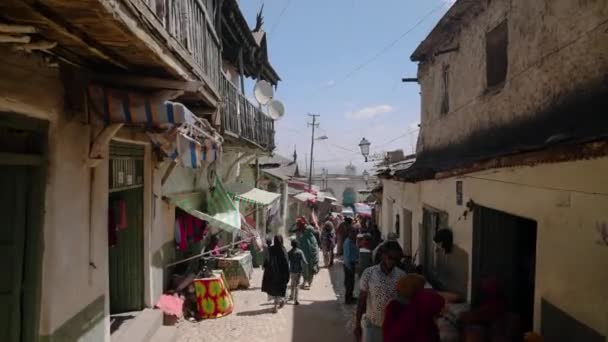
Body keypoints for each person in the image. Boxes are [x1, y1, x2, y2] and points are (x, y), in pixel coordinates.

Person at [355, 241, 406, 342]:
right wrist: (357, 325)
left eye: (396, 259)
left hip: (393, 327)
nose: (392, 261)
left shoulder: (401, 276)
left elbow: (403, 303)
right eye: (390, 257)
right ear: (383, 255)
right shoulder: (369, 273)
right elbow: (361, 302)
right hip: (372, 326)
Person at [261, 235, 290, 313]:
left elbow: (267, 259)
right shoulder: (283, 249)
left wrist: (265, 266)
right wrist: (287, 274)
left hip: (272, 273)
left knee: (274, 290)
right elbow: (286, 263)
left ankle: (276, 305)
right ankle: (280, 302)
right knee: (280, 289)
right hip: (281, 274)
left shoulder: (271, 249)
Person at [294, 217, 320, 289]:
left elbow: (316, 232)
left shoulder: (307, 230)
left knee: (309, 267)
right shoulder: (303, 230)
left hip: (310, 252)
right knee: (306, 268)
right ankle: (306, 282)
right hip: (306, 253)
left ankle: (308, 283)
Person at [287, 239, 308, 305]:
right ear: (297, 245)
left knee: (292, 283)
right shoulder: (300, 252)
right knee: (297, 285)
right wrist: (307, 265)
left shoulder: (289, 252)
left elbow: (287, 261)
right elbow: (304, 261)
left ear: (291, 245)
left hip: (292, 270)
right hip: (299, 270)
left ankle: (291, 296)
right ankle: (296, 299)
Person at [343, 228, 359, 304]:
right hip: (348, 265)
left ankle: (350, 296)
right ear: (350, 233)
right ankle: (348, 299)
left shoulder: (352, 241)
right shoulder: (348, 242)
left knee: (351, 282)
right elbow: (347, 255)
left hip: (351, 264)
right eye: (353, 233)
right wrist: (349, 266)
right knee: (349, 283)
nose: (355, 235)